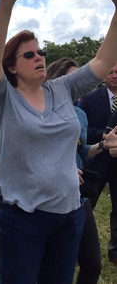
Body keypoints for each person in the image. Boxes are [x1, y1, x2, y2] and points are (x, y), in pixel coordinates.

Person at [0, 0, 117, 283]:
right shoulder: (3, 97)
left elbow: (102, 60)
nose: (39, 57)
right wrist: (5, 5)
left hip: (69, 213)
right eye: (28, 55)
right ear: (12, 67)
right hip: (22, 217)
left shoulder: (63, 88)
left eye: (40, 52)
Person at [45, 58, 117, 283]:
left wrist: (104, 144)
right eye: (74, 78)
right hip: (46, 196)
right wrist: (59, 169)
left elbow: (81, 151)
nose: (82, 84)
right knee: (49, 266)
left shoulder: (79, 115)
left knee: (92, 264)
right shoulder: (38, 110)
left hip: (77, 195)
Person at [79, 64, 117, 265]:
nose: (114, 76)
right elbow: (83, 130)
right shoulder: (90, 98)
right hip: (96, 158)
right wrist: (103, 136)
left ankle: (115, 252)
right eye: (110, 72)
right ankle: (79, 244)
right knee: (88, 203)